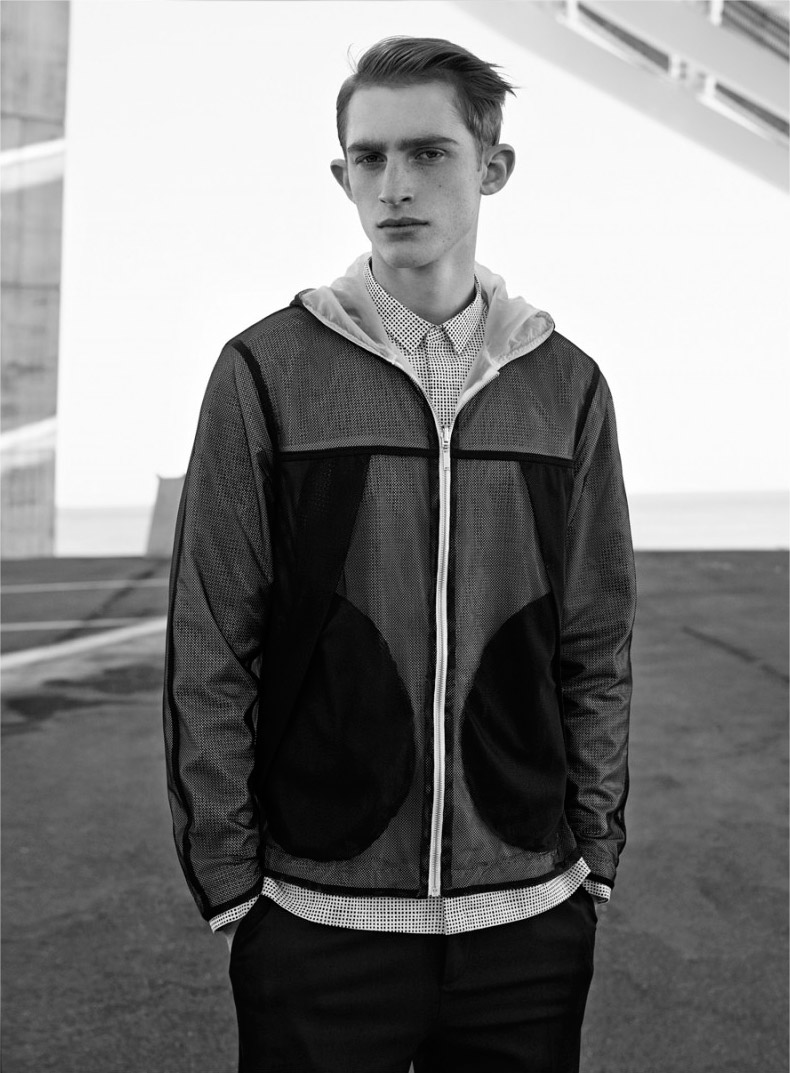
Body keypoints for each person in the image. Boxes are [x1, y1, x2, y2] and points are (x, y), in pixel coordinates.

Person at [163, 35, 636, 1073]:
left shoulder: (566, 386)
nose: (394, 185)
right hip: (318, 915)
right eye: (368, 159)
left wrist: (592, 854)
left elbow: (596, 639)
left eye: (427, 153)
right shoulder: (267, 371)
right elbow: (211, 641)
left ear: (492, 168)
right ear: (342, 175)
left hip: (526, 916)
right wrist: (234, 881)